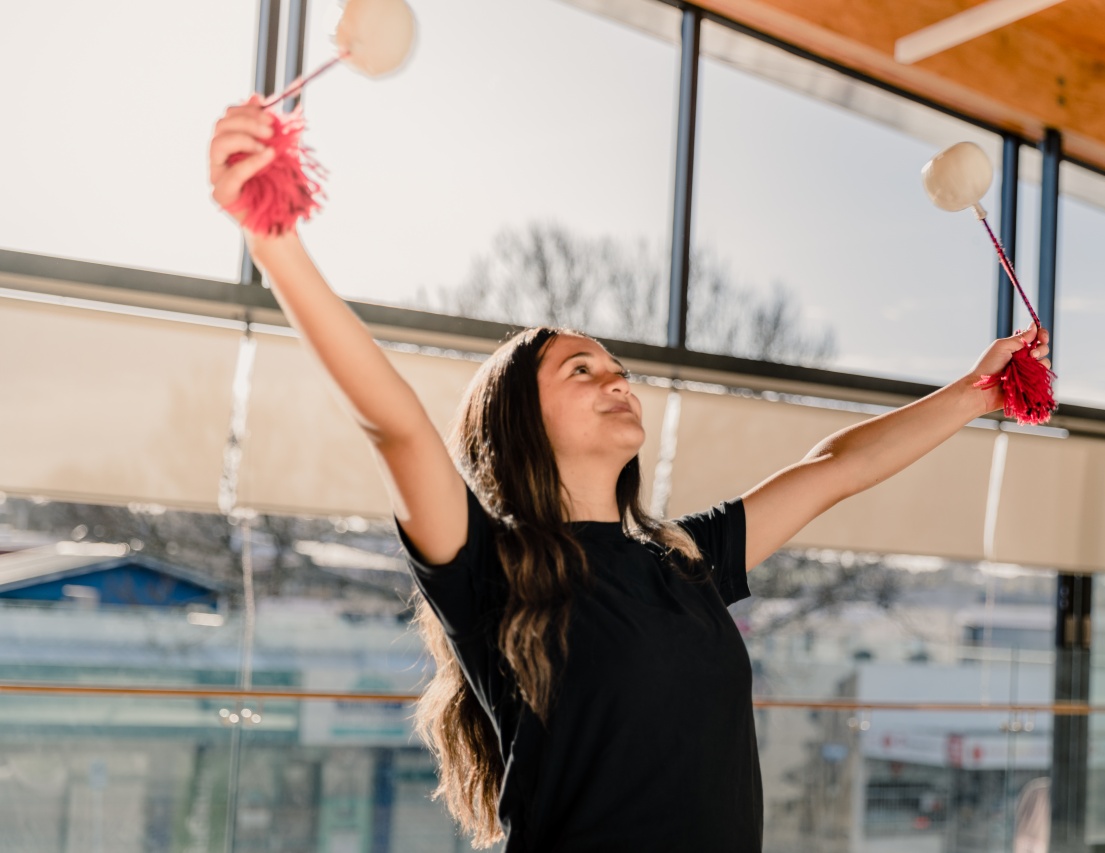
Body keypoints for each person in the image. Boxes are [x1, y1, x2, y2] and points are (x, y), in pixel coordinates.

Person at [208, 97, 1050, 852]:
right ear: (519, 424)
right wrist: (273, 243)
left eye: (616, 366)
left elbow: (835, 467)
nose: (617, 378)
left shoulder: (684, 559)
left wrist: (977, 393)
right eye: (580, 370)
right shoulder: (488, 568)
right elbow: (395, 424)